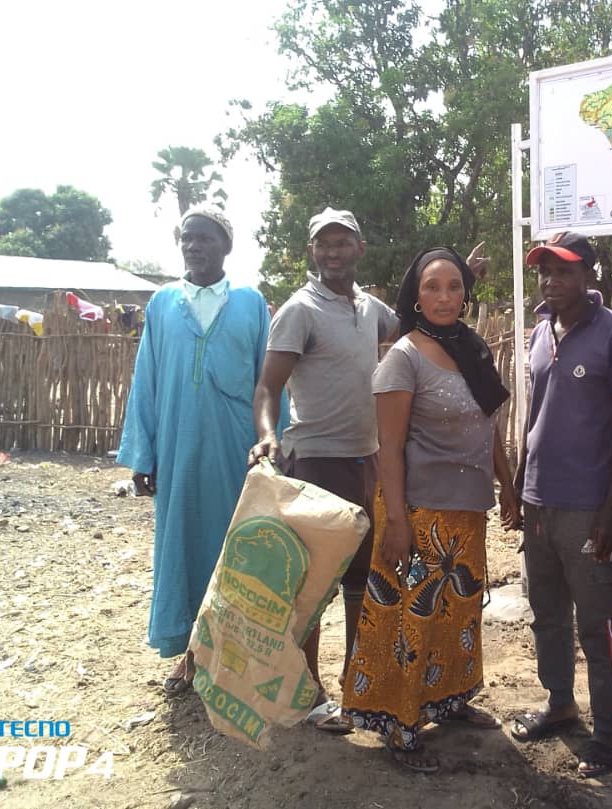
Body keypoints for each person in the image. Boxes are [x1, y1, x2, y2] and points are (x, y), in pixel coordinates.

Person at [341, 247, 517, 773]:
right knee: (409, 621)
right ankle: (400, 725)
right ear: (415, 297)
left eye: (454, 286)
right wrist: (396, 523)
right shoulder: (404, 357)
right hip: (417, 512)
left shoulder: (473, 348)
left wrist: (507, 485)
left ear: (466, 293)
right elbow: (389, 449)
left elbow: (488, 426)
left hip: (466, 512)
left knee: (457, 613)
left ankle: (450, 700)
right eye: (432, 287)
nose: (444, 297)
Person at [248, 208, 397, 730]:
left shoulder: (371, 308)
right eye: (323, 244)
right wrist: (267, 434)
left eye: (342, 243)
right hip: (315, 460)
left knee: (360, 575)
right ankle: (309, 691)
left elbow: (415, 323)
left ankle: (357, 684)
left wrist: (463, 276)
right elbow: (268, 386)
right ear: (312, 251)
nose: (332, 252)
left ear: (359, 248)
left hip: (366, 459)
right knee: (314, 581)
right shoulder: (299, 310)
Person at [118, 208, 272, 695]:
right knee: (181, 546)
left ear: (227, 246)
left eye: (206, 237)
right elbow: (147, 379)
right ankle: (189, 654)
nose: (194, 246)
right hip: (178, 447)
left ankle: (231, 658)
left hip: (234, 450)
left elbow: (268, 383)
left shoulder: (251, 303)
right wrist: (144, 455)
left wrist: (271, 444)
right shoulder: (163, 303)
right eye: (187, 237)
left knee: (234, 548)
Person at [510, 231, 612, 779]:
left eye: (563, 270)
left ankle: (609, 732)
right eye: (545, 270)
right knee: (547, 613)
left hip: (590, 507)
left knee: (596, 623)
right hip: (540, 501)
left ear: (590, 274)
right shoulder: (541, 332)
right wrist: (521, 482)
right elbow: (536, 413)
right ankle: (560, 702)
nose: (551, 280)